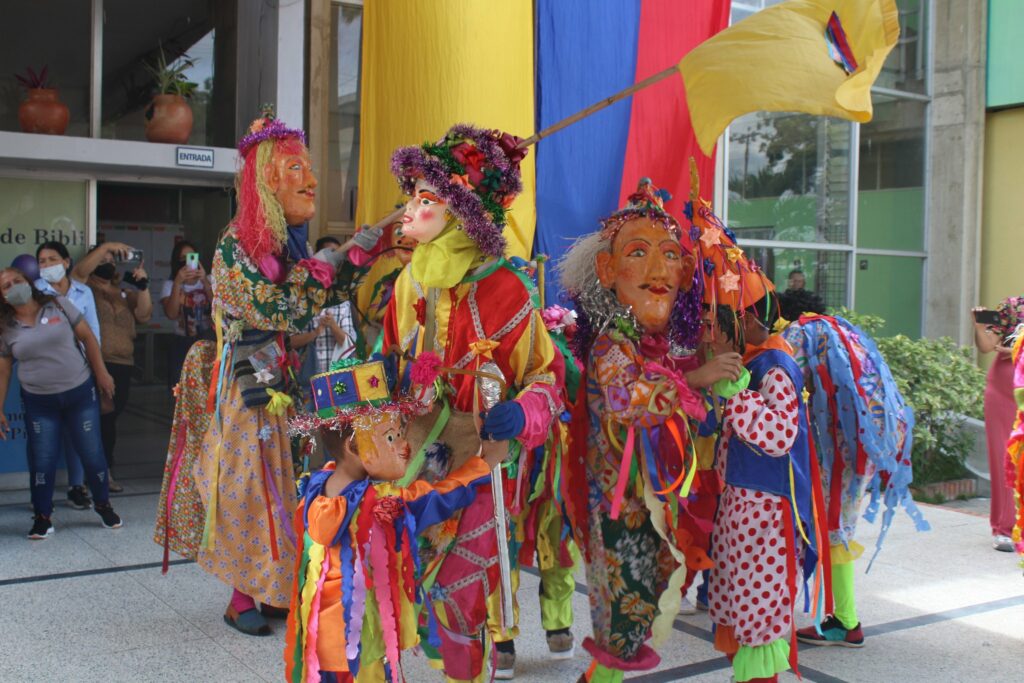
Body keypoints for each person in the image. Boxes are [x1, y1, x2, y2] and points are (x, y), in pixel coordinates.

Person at [385, 123, 563, 682]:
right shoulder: (410, 282)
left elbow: (545, 376)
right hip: (412, 458)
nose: (409, 209)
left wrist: (523, 412)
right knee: (410, 583)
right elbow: (389, 357)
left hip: (480, 466)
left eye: (426, 198)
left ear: (463, 212)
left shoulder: (507, 289)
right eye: (412, 196)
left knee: (462, 592)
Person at [558, 179, 741, 683]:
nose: (660, 271)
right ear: (607, 270)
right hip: (619, 510)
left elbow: (666, 389)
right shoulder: (611, 344)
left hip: (646, 506)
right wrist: (696, 379)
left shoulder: (645, 345)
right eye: (639, 253)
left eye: (671, 255)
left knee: (637, 612)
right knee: (622, 619)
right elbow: (629, 399)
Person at [191, 110, 340, 637]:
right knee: (249, 490)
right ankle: (239, 598)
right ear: (268, 179)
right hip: (245, 391)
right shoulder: (235, 246)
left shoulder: (285, 244)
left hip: (282, 385)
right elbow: (279, 311)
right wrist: (317, 279)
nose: (311, 180)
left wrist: (348, 263)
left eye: (308, 168)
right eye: (297, 168)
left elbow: (308, 310)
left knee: (286, 485)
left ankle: (273, 588)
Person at [283, 357, 505, 681]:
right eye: (391, 437)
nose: (405, 446)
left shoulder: (316, 486)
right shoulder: (381, 504)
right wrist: (483, 463)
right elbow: (439, 496)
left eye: (402, 433)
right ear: (353, 446)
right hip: (361, 644)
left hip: (321, 641)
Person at [691, 195, 824, 683]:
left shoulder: (775, 364)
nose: (710, 332)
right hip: (742, 505)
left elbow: (780, 434)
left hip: (766, 510)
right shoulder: (750, 362)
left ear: (745, 319)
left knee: (758, 616)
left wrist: (736, 396)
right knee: (739, 605)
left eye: (717, 321)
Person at [778, 295, 927, 649]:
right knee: (837, 526)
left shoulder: (799, 332)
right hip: (867, 441)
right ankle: (839, 617)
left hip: (842, 447)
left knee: (834, 528)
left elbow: (781, 381)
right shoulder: (840, 330)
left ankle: (845, 621)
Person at [0, 268, 123, 538]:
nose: (13, 287)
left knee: (92, 453)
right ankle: (42, 517)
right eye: (6, 286)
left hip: (80, 394)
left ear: (28, 282)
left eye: (17, 281)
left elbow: (87, 337)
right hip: (39, 403)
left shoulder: (58, 304)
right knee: (42, 460)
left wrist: (102, 373)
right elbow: (4, 370)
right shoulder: (5, 327)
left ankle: (103, 505)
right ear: (3, 297)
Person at [72, 243, 154, 492]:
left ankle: (101, 469)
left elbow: (144, 314)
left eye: (112, 261)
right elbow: (79, 271)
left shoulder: (122, 292)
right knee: (100, 418)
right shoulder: (84, 288)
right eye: (103, 260)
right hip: (98, 362)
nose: (108, 264)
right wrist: (106, 246)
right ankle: (98, 473)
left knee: (111, 416)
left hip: (123, 363)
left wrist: (143, 286)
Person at [35, 240, 102, 509]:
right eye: (42, 261)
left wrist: (97, 368)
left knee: (78, 432)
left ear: (66, 262)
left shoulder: (84, 292)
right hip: (44, 373)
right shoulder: (34, 292)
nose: (47, 265)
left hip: (80, 371)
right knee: (45, 438)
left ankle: (77, 486)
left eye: (52, 259)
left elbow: (93, 332)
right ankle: (41, 495)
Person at [972, 296, 1024, 552]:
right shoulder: (1012, 306)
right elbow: (987, 346)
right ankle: (1004, 529)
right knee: (1005, 458)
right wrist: (980, 327)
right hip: (1003, 391)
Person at [160, 240, 213, 392]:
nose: (187, 261)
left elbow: (218, 308)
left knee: (207, 387)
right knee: (181, 388)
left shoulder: (208, 280)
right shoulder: (170, 285)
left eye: (191, 256)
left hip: (207, 339)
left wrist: (204, 280)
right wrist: (178, 282)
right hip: (182, 342)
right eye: (182, 258)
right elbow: (171, 314)